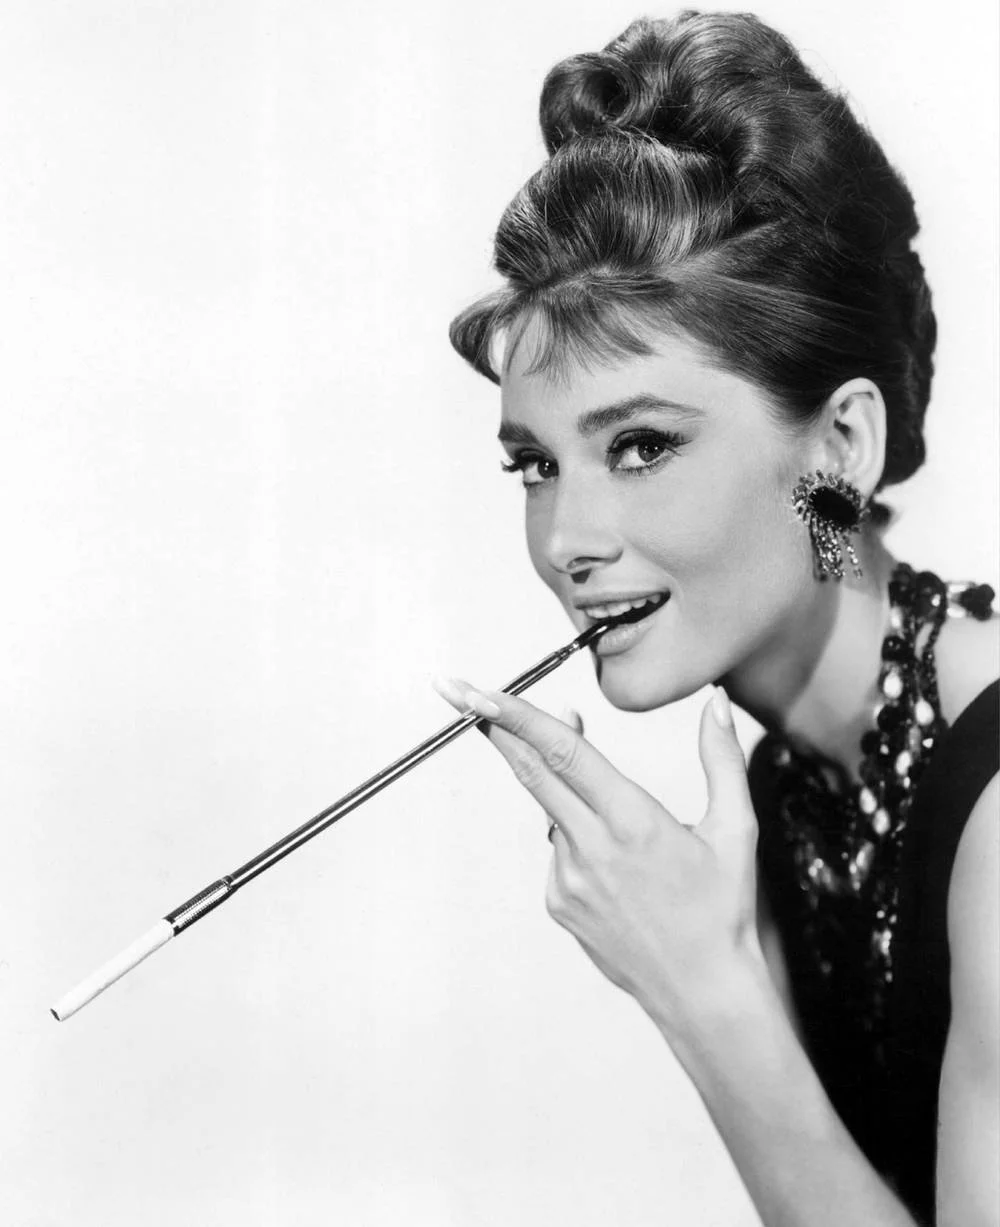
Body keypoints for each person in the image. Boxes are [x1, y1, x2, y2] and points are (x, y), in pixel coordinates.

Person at [432, 12, 999, 1227]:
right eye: (533, 464)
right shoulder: (794, 786)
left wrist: (702, 988)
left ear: (839, 449)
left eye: (639, 445)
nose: (566, 540)